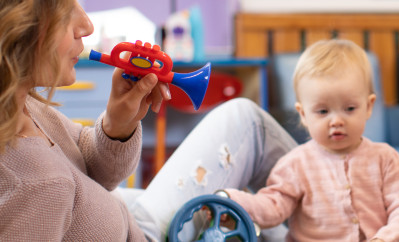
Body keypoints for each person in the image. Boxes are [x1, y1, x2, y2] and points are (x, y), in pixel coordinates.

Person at [0, 1, 298, 241]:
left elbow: (91, 172)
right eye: (65, 11)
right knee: (248, 124)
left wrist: (117, 126)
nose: (86, 25)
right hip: (142, 233)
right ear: (18, 29)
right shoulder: (35, 186)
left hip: (124, 216)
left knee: (244, 121)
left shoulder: (23, 106)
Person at [220, 39, 399, 241]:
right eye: (323, 111)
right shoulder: (295, 163)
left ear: (369, 106)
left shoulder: (386, 159)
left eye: (349, 108)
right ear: (303, 114)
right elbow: (272, 205)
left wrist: (386, 238)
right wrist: (233, 201)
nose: (336, 121)